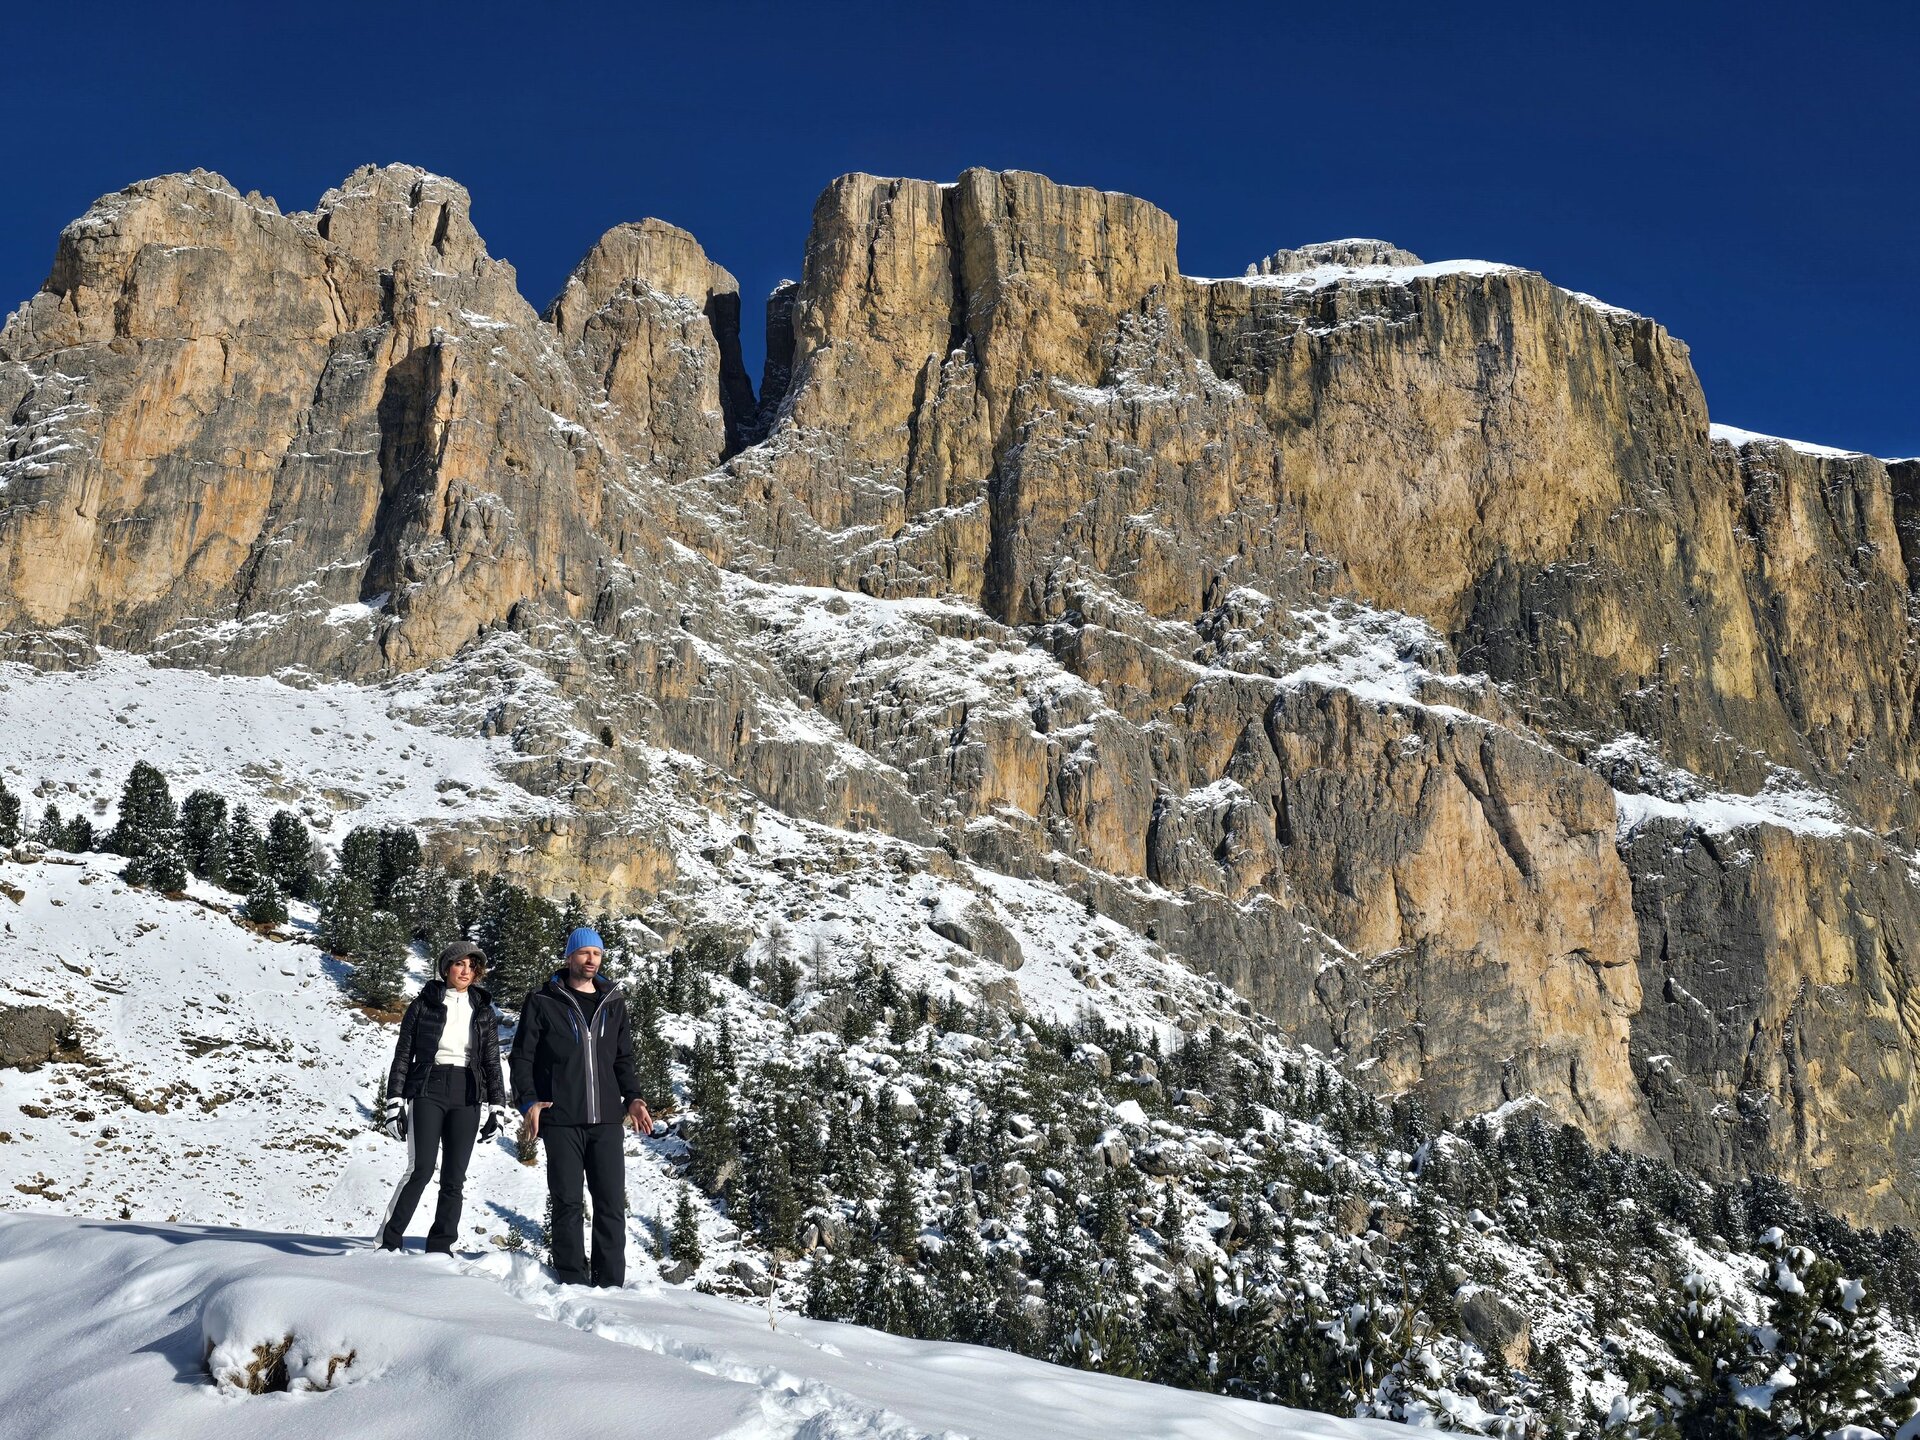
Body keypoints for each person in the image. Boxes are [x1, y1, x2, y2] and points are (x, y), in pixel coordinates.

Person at [509, 927, 654, 1287]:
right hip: (561, 1119)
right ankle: (572, 1281)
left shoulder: (613, 1002)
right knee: (568, 1203)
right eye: (584, 953)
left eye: (597, 954)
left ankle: (610, 1284)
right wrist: (529, 1102)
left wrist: (633, 1098)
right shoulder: (543, 999)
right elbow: (522, 1056)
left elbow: (623, 1058)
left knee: (610, 1204)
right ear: (569, 956)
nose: (591, 960)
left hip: (606, 1121)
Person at [377, 940, 514, 1253]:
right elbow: (403, 1055)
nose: (465, 971)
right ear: (446, 967)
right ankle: (388, 1242)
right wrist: (394, 1101)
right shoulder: (423, 1005)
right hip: (429, 1087)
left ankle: (440, 1249)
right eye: (459, 964)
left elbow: (491, 1061)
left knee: (455, 1178)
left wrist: (497, 1107)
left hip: (468, 1091)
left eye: (471, 966)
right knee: (421, 1169)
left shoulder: (483, 1010)